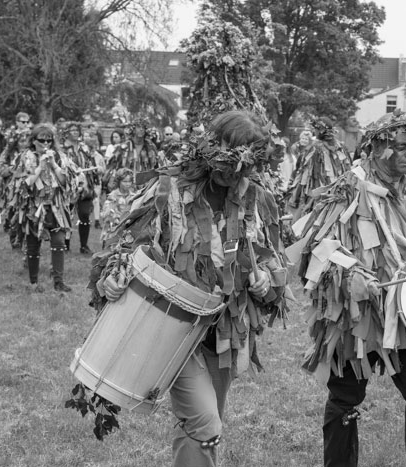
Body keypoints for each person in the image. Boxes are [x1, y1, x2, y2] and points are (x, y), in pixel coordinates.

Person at [93, 110, 288, 467]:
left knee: (203, 425)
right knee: (205, 422)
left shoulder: (256, 197)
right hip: (170, 324)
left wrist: (267, 281)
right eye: (237, 158)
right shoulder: (169, 189)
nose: (242, 172)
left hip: (223, 331)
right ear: (213, 149)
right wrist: (115, 273)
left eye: (252, 162)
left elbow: (273, 258)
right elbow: (124, 243)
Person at [295, 110, 406, 467]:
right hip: (356, 317)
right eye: (403, 147)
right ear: (379, 149)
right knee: (346, 397)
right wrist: (353, 275)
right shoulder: (348, 188)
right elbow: (316, 246)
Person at [12, 124, 75, 292]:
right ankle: (33, 282)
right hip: (34, 208)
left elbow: (66, 183)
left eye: (49, 140)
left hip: (56, 207)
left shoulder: (60, 157)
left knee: (59, 242)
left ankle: (58, 282)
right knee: (33, 245)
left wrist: (54, 164)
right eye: (41, 140)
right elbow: (24, 186)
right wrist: (40, 166)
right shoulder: (25, 157)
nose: (46, 143)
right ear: (33, 141)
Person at [286, 118, 351, 218]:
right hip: (337, 195)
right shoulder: (341, 148)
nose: (314, 132)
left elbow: (303, 176)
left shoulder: (313, 149)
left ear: (318, 131)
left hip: (316, 197)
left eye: (315, 129)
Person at [62, 122, 104, 254]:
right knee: (66, 215)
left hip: (85, 187)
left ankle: (84, 245)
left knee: (85, 215)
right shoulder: (63, 149)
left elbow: (91, 162)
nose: (75, 132)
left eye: (77, 130)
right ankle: (65, 244)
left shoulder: (83, 148)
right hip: (68, 187)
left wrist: (95, 170)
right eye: (72, 130)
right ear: (67, 132)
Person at [0, 130, 31, 248]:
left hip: (28, 189)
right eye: (22, 141)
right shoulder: (8, 153)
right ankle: (14, 240)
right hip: (11, 191)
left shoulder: (32, 153)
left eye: (27, 140)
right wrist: (12, 170)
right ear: (16, 142)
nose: (25, 143)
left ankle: (25, 240)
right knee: (13, 214)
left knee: (27, 214)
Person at [99, 168, 134, 249]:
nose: (128, 184)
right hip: (112, 232)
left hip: (128, 233)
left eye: (129, 181)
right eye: (125, 181)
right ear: (118, 182)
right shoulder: (113, 196)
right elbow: (105, 214)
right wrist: (116, 218)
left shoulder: (133, 197)